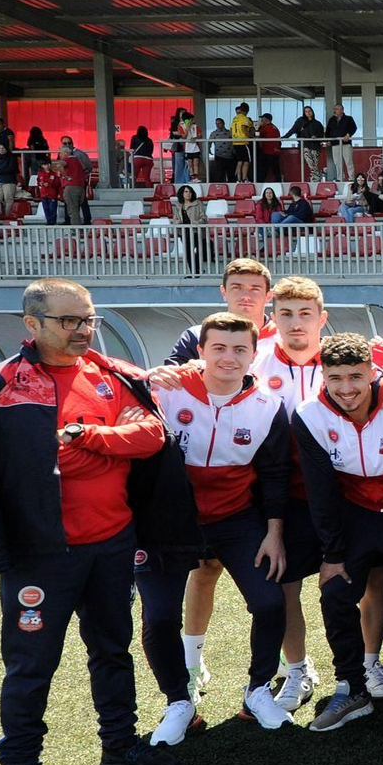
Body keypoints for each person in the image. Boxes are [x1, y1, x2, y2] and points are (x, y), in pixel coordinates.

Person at [0, 279, 183, 765]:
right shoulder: (1, 387)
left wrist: (89, 439)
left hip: (112, 545)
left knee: (112, 650)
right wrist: (106, 449)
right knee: (32, 665)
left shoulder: (112, 375)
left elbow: (152, 435)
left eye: (89, 319)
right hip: (40, 554)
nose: (83, 330)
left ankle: (120, 747)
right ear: (31, 324)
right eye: (69, 321)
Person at [135, 313, 294, 743]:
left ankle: (259, 690)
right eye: (219, 348)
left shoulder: (269, 405)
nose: (229, 357)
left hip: (234, 518)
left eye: (240, 349)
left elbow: (276, 473)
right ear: (200, 351)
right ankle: (178, 702)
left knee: (269, 601)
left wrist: (274, 532)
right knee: (159, 615)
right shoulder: (163, 391)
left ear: (253, 354)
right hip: (168, 521)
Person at [291, 333, 383, 732]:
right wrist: (332, 553)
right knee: (335, 592)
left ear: (373, 372)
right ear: (323, 377)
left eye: (356, 376)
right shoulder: (308, 414)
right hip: (353, 514)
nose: (347, 388)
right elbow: (321, 490)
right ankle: (351, 686)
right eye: (336, 378)